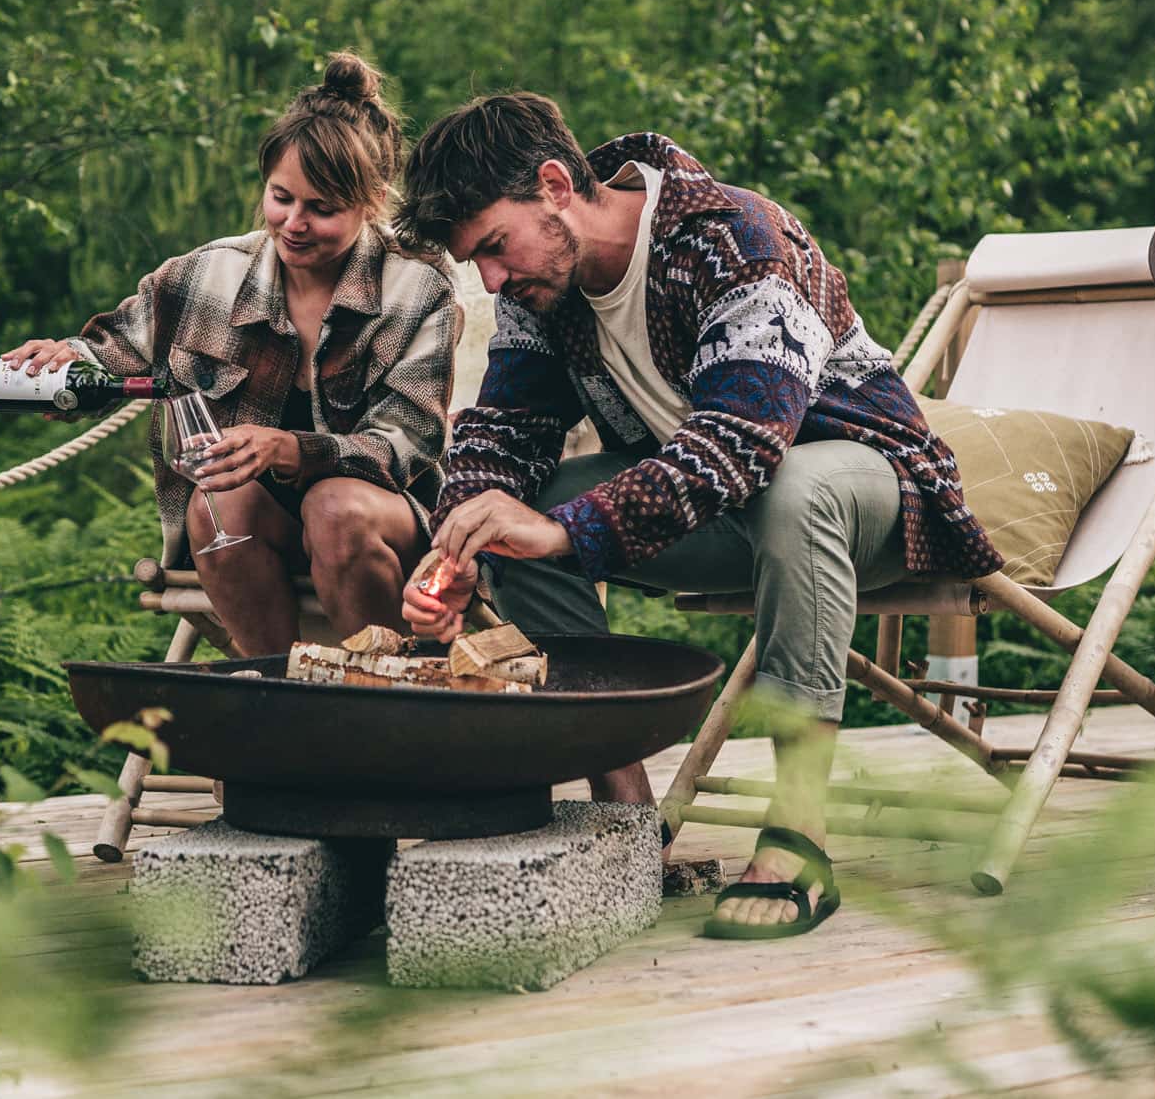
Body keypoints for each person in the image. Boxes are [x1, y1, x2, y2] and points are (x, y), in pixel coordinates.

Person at [393, 95, 1000, 940]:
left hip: (875, 493)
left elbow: (744, 443)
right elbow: (502, 431)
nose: (491, 281)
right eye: (475, 263)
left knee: (794, 487)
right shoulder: (543, 291)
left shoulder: (736, 236)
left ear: (557, 184)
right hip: (717, 510)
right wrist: (455, 547)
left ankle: (799, 837)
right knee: (509, 511)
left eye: (494, 247)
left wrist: (570, 532)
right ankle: (629, 814)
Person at [3, 53, 460, 653]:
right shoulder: (206, 276)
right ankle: (277, 699)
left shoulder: (419, 286)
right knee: (219, 500)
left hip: (381, 523)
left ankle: (386, 703)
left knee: (333, 506)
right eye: (281, 197)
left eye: (322, 209)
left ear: (370, 202)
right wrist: (60, 362)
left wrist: (294, 450)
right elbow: (110, 352)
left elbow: (411, 440)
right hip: (249, 537)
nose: (294, 223)